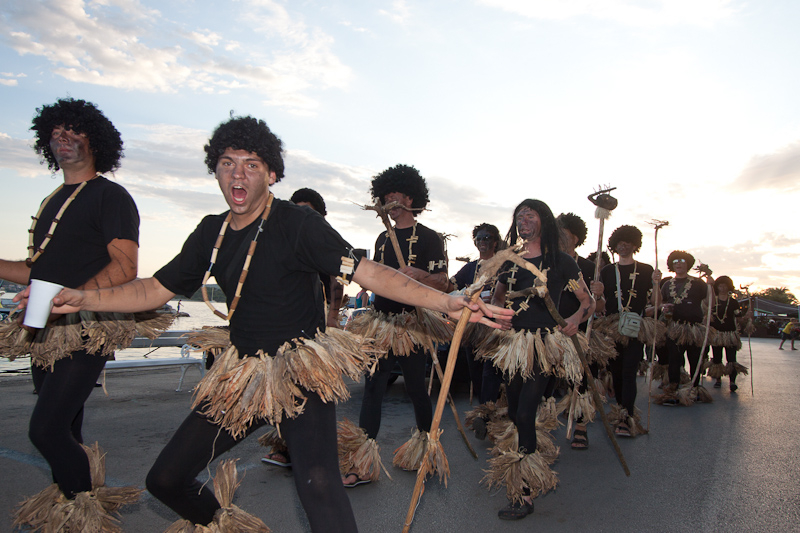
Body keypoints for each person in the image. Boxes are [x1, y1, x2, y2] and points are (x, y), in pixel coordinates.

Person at [48, 117, 509, 532]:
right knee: (166, 479)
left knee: (319, 483)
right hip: (243, 375)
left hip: (299, 372)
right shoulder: (211, 231)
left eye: (251, 165)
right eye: (228, 164)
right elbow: (153, 288)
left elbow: (369, 273)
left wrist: (446, 302)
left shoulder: (297, 224)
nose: (238, 174)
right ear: (215, 171)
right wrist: (84, 298)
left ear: (271, 174)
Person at [0, 98, 142, 530]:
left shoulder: (110, 196)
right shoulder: (52, 200)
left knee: (45, 430)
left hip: (84, 329)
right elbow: (36, 271)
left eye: (74, 130)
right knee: (66, 430)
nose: (62, 137)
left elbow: (125, 268)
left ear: (94, 140)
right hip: (44, 329)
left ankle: (84, 515)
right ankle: (69, 508)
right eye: (56, 131)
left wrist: (76, 297)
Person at [480, 199, 595, 520]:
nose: (523, 220)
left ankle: (524, 493)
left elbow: (587, 301)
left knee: (525, 411)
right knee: (515, 410)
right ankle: (528, 456)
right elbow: (498, 296)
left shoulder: (561, 262)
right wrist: (499, 315)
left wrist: (574, 320)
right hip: (514, 345)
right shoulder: (509, 261)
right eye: (519, 216)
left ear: (543, 220)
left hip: (543, 346)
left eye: (529, 215)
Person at [343, 164, 454, 487]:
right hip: (381, 323)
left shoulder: (430, 238)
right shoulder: (382, 238)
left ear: (410, 198)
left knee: (417, 388)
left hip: (412, 325)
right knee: (373, 387)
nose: (389, 203)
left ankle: (427, 453)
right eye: (385, 197)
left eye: (396, 196)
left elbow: (444, 283)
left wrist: (421, 276)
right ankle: (362, 463)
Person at [260, 187, 345, 468]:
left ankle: (317, 453)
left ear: (320, 214)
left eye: (307, 210)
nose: (301, 215)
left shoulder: (324, 239)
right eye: (296, 209)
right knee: (285, 387)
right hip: (286, 325)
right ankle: (286, 445)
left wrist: (333, 316)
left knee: (315, 389)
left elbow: (337, 281)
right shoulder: (284, 239)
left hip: (316, 327)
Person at [591, 225, 661, 435]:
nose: (623, 246)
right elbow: (600, 305)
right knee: (617, 372)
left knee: (629, 371)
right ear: (615, 245)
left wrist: (657, 284)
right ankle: (621, 409)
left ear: (634, 245)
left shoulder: (646, 270)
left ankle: (627, 416)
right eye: (620, 243)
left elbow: (656, 303)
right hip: (611, 327)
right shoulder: (606, 271)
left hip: (635, 326)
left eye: (627, 243)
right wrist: (598, 293)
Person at [451, 223, 505, 439]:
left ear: (495, 242)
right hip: (473, 329)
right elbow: (451, 285)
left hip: (495, 328)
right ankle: (487, 410)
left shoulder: (504, 266)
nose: (482, 242)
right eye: (479, 238)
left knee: (490, 371)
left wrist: (496, 301)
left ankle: (485, 414)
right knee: (476, 372)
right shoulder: (470, 268)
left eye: (487, 238)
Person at [657, 250, 712, 406]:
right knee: (674, 359)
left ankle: (694, 389)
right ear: (672, 265)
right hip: (675, 327)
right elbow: (660, 303)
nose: (679, 264)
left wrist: (710, 284)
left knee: (694, 359)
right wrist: (663, 307)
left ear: (688, 264)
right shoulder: (667, 284)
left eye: (682, 261)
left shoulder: (698, 283)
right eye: (675, 261)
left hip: (694, 328)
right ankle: (673, 390)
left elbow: (710, 302)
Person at [708, 276, 751, 392]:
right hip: (716, 334)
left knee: (731, 359)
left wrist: (747, 318)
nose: (722, 288)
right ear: (717, 287)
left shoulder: (733, 302)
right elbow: (708, 315)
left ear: (729, 287)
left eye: (725, 286)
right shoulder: (713, 302)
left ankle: (732, 382)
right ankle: (718, 379)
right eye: (720, 286)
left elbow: (739, 318)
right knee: (717, 358)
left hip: (730, 334)